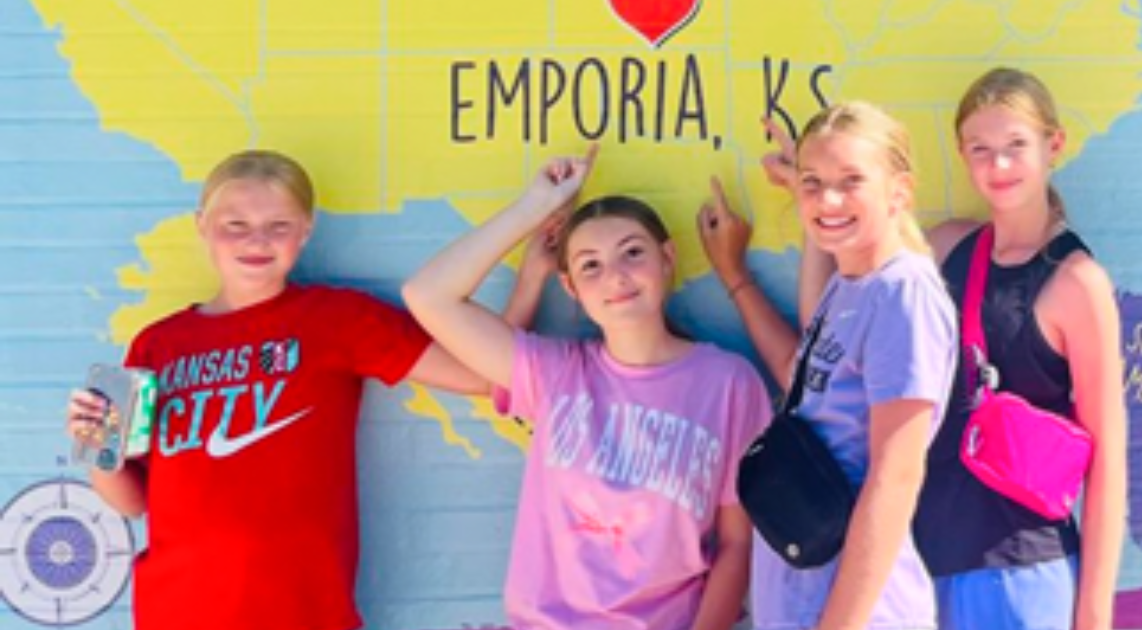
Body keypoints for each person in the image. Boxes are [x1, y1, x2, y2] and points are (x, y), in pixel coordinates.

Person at [731, 69, 1128, 630]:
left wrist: (1093, 615)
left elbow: (1108, 456)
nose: (999, 166)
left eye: (1016, 146)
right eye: (980, 149)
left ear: (1053, 145)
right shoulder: (946, 247)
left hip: (1016, 566)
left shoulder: (1076, 282)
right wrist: (812, 184)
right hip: (925, 555)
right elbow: (847, 293)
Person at [63, 149, 490, 630]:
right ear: (202, 225)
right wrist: (101, 451)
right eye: (236, 224)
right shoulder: (157, 344)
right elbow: (132, 501)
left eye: (279, 226)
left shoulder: (338, 320)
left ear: (306, 230)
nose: (257, 241)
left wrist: (531, 273)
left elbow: (485, 372)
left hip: (304, 613)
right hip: (177, 611)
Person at [400, 147, 771, 630]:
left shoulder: (728, 383)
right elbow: (427, 295)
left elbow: (738, 544)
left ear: (667, 259)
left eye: (633, 253)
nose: (615, 276)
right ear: (571, 287)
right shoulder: (554, 374)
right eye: (590, 265)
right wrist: (534, 206)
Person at [732, 102, 956, 630]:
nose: (827, 199)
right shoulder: (850, 283)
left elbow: (896, 476)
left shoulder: (902, 294)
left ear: (899, 191)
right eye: (813, 182)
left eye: (850, 180)